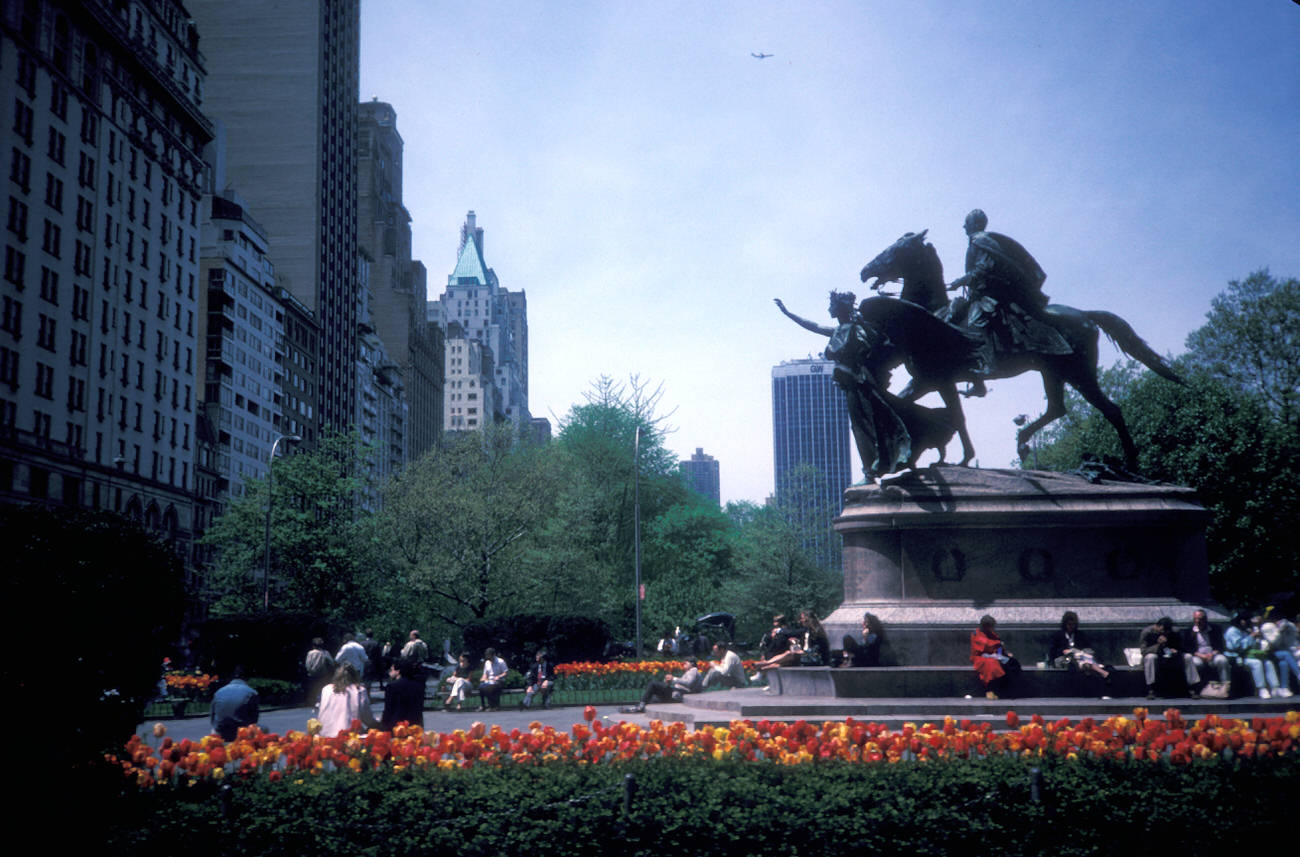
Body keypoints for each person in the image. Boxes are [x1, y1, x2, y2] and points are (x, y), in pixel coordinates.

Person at [947, 209, 1071, 393]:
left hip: (996, 292)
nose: (964, 226)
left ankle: (988, 364)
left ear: (975, 224)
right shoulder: (977, 241)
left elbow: (984, 268)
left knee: (977, 319)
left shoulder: (981, 240)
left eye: (967, 222)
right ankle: (976, 383)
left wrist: (961, 281)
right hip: (981, 292)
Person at [1224, 611, 1283, 698]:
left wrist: (1257, 637)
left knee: (1267, 662)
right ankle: (1261, 688)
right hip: (1237, 657)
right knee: (1256, 663)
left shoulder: (1246, 630)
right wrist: (1251, 636)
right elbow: (1238, 647)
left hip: (1249, 655)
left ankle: (1275, 687)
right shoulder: (1232, 631)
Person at [317, 662, 380, 738]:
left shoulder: (326, 689)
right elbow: (368, 718)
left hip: (324, 735)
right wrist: (378, 724)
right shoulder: (359, 690)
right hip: (349, 736)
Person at [1049, 611, 1111, 688]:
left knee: (1081, 657)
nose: (1071, 627)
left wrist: (1080, 651)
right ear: (1065, 624)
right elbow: (1052, 652)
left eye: (1073, 625)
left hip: (1079, 658)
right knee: (1077, 658)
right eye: (1069, 624)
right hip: (1062, 660)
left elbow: (1088, 648)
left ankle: (1088, 669)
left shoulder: (1080, 635)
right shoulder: (1057, 636)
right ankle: (1102, 673)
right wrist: (1063, 651)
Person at [1180, 608, 1230, 697]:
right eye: (1196, 619)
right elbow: (1186, 648)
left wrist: (1213, 654)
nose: (1198, 621)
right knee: (1195, 663)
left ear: (1205, 619)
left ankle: (1225, 686)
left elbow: (1221, 645)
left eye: (1201, 619)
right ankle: (1194, 688)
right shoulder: (1189, 631)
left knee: (1222, 660)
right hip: (1198, 655)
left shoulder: (1215, 629)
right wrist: (1200, 655)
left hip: (1213, 655)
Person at [620, 662, 704, 713]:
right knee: (653, 699)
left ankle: (639, 706)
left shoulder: (693, 670)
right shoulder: (691, 672)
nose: (683, 664)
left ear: (692, 664)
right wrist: (671, 682)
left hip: (679, 694)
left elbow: (688, 683)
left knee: (653, 685)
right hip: (677, 694)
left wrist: (673, 679)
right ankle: (637, 707)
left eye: (686, 663)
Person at [971, 615, 1020, 699]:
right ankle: (992, 690)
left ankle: (1012, 690)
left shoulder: (991, 633)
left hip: (995, 655)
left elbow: (998, 644)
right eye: (991, 626)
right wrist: (996, 646)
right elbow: (984, 646)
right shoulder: (976, 634)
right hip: (981, 658)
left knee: (1013, 662)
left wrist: (1004, 652)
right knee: (993, 665)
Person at [1139, 616, 1185, 699]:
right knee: (1151, 658)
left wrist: (1175, 651)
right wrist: (1158, 645)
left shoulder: (1174, 632)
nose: (1163, 633)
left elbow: (1180, 646)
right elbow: (1143, 651)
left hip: (1168, 656)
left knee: (1187, 657)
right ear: (1157, 626)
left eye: (1166, 631)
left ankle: (1191, 687)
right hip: (1153, 655)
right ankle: (1151, 688)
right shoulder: (1147, 632)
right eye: (1162, 630)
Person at [209, 665, 259, 741]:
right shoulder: (252, 693)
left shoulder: (219, 692)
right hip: (240, 734)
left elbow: (212, 717)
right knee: (264, 729)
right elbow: (254, 720)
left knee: (213, 731)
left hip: (220, 733)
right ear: (247, 678)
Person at [379, 657, 426, 730]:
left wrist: (383, 727)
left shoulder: (391, 687)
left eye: (392, 670)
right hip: (414, 726)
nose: (389, 672)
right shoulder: (418, 686)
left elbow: (388, 710)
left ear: (398, 671)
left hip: (396, 726)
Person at [1261, 608, 1300, 694]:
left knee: (1284, 663)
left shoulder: (1286, 625)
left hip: (1281, 651)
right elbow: (1273, 642)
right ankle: (1298, 674)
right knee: (1286, 654)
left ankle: (1284, 687)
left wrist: (1288, 629)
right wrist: (1279, 631)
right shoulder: (1267, 626)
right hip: (1270, 652)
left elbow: (1292, 638)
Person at [304, 637, 336, 706]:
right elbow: (331, 662)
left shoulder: (310, 653)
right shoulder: (325, 652)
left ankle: (312, 701)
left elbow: (307, 663)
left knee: (313, 687)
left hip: (312, 673)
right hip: (322, 673)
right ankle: (321, 701)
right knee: (321, 687)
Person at [478, 647, 509, 711]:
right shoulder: (487, 662)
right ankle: (483, 705)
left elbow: (506, 673)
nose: (489, 658)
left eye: (490, 656)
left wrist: (499, 676)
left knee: (490, 688)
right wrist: (483, 678)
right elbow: (485, 674)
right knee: (481, 687)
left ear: (493, 655)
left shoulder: (500, 661)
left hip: (499, 681)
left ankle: (493, 706)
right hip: (490, 681)